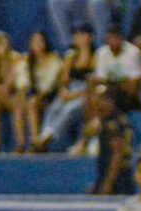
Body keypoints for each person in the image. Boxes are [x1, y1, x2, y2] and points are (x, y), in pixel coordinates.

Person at [92, 25, 141, 150]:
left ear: (122, 39)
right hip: (112, 93)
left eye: (116, 38)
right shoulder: (102, 53)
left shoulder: (133, 52)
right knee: (97, 92)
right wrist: (118, 83)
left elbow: (133, 85)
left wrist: (113, 83)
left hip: (134, 95)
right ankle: (95, 133)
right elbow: (100, 80)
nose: (113, 41)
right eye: (110, 38)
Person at [35, 24, 94, 152]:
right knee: (55, 106)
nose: (79, 38)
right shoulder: (71, 56)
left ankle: (50, 137)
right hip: (71, 90)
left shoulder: (96, 56)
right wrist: (64, 91)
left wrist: (75, 94)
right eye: (76, 35)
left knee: (69, 109)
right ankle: (44, 134)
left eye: (82, 35)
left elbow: (93, 84)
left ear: (89, 37)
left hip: (85, 93)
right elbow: (64, 80)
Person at [15, 31, 62, 154]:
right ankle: (20, 144)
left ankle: (36, 142)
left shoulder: (54, 60)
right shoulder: (27, 62)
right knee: (20, 105)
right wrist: (23, 94)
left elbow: (49, 86)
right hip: (31, 97)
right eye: (34, 42)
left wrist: (35, 96)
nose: (38, 45)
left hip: (50, 98)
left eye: (40, 41)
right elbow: (22, 83)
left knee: (32, 103)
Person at [90, 87, 134, 195]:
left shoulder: (114, 124)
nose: (95, 102)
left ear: (110, 101)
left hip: (119, 180)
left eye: (99, 99)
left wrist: (108, 184)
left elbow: (117, 154)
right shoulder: (106, 120)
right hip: (107, 175)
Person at [47, 0, 116, 52]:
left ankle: (100, 52)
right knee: (56, 2)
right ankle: (71, 52)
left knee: (97, 3)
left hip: (96, 34)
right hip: (75, 38)